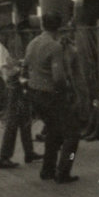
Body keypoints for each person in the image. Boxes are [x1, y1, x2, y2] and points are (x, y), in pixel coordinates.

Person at [25, 12, 81, 184]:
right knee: (73, 135)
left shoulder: (32, 43)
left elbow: (27, 65)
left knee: (53, 131)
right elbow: (58, 78)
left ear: (42, 25)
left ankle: (47, 170)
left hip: (34, 94)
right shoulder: (54, 46)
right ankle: (63, 171)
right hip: (50, 95)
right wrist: (69, 93)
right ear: (59, 27)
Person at [0, 56, 41, 170]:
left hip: (17, 87)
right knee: (12, 124)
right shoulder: (12, 42)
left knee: (25, 121)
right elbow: (11, 67)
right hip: (16, 87)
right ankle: (4, 157)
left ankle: (29, 153)